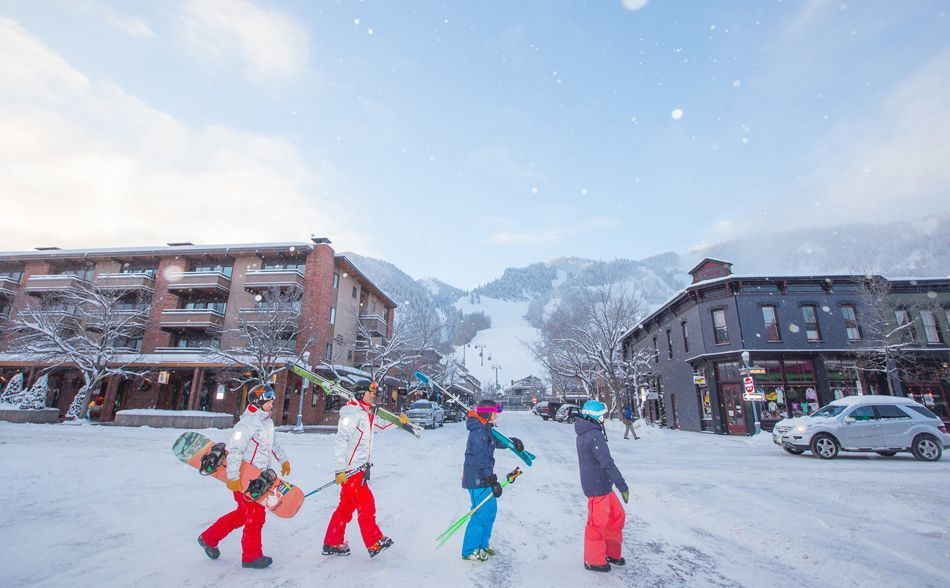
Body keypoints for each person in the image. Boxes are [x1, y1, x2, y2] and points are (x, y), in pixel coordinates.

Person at [198, 384, 290, 569]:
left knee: (242, 515)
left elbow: (274, 444)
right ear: (258, 400)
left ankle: (209, 538)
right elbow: (235, 451)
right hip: (244, 479)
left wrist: (284, 460)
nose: (273, 402)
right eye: (269, 399)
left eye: (272, 398)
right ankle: (251, 556)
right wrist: (232, 478)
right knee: (255, 517)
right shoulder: (246, 424)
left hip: (259, 479)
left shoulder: (267, 423)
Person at [322, 379, 410, 558]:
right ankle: (374, 542)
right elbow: (341, 441)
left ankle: (332, 541)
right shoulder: (351, 414)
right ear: (362, 394)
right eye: (371, 393)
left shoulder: (366, 413)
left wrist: (399, 421)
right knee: (366, 505)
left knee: (345, 508)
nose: (374, 396)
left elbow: (380, 425)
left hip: (360, 469)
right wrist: (340, 470)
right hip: (352, 471)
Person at [460, 399, 525, 562]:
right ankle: (469, 550)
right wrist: (492, 480)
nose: (497, 416)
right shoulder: (478, 432)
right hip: (477, 478)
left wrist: (511, 442)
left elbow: (494, 441)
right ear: (487, 413)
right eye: (495, 413)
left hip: (483, 478)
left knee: (489, 512)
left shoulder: (485, 429)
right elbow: (481, 460)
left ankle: (482, 545)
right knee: (480, 514)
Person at [575, 399, 629, 573]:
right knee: (596, 524)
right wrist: (622, 485)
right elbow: (607, 463)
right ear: (594, 417)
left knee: (616, 515)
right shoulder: (592, 435)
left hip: (603, 484)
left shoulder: (589, 432)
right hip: (596, 486)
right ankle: (594, 560)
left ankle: (611, 552)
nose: (603, 418)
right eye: (601, 415)